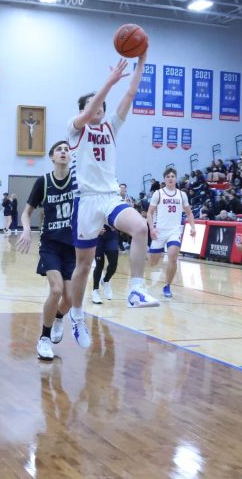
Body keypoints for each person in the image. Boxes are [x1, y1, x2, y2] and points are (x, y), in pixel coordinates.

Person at [67, 52, 158, 308]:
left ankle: (136, 290)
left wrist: (141, 61)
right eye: (94, 105)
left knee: (141, 228)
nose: (100, 109)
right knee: (84, 265)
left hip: (108, 197)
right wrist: (109, 82)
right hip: (85, 202)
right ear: (83, 110)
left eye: (103, 107)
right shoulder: (75, 129)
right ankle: (75, 313)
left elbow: (129, 94)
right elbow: (90, 110)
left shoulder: (110, 128)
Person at [16, 141, 83, 360]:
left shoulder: (78, 181)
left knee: (70, 298)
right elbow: (26, 213)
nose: (64, 152)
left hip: (73, 247)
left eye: (67, 149)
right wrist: (26, 230)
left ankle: (58, 318)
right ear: (52, 157)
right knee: (55, 290)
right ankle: (44, 339)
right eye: (59, 150)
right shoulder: (43, 182)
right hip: (50, 245)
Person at [147, 167, 196, 298]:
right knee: (153, 262)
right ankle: (145, 256)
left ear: (175, 178)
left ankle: (167, 285)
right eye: (168, 176)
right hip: (159, 230)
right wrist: (152, 228)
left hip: (174, 230)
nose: (170, 178)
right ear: (164, 179)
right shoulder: (158, 193)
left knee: (173, 256)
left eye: (172, 176)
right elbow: (150, 213)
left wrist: (193, 227)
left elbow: (189, 212)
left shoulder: (182, 194)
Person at [91, 225, 119, 304]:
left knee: (113, 263)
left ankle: (105, 280)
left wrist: (119, 226)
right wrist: (96, 228)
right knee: (99, 265)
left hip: (111, 235)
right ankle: (95, 290)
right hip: (97, 236)